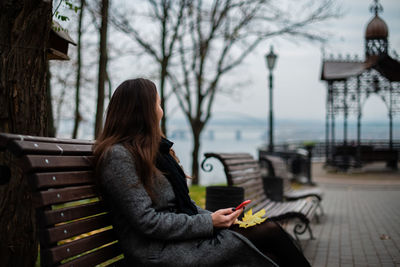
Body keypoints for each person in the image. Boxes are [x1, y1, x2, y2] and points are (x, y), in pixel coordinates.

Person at [94, 78, 311, 267]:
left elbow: (182, 205)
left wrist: (219, 217)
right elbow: (147, 221)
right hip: (159, 253)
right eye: (158, 104)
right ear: (143, 111)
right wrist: (210, 223)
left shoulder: (152, 152)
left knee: (269, 239)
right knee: (270, 233)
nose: (161, 110)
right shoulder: (119, 156)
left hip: (178, 242)